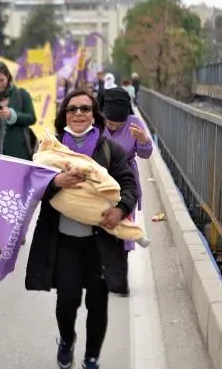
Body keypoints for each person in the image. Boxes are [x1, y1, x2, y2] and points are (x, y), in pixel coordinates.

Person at [25, 89, 138, 369]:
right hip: (63, 240)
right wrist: (55, 184)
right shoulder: (48, 149)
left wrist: (121, 209)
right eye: (72, 109)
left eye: (85, 109)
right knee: (68, 300)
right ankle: (66, 340)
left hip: (100, 242)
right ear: (64, 114)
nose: (78, 114)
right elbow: (29, 186)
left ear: (94, 114)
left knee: (98, 304)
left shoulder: (111, 149)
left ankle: (91, 358)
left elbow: (129, 185)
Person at [0, 61, 37, 255]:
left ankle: (16, 231)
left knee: (16, 196)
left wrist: (12, 115)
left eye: (2, 80)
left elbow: (31, 118)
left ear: (8, 77)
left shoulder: (21, 95)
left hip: (17, 151)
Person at [102, 87, 153, 296]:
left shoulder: (134, 123)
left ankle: (119, 278)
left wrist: (143, 141)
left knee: (122, 228)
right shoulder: (95, 123)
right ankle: (103, 272)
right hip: (100, 182)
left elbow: (146, 154)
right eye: (110, 122)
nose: (113, 126)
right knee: (102, 226)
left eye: (118, 123)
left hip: (125, 181)